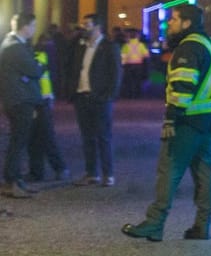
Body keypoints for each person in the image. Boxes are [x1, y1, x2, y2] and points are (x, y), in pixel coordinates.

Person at [123, 3, 211, 241]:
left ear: (187, 23)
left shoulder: (187, 49)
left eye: (174, 20)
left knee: (169, 169)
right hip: (209, 120)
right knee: (204, 172)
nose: (170, 24)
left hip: (188, 120)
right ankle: (202, 224)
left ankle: (155, 223)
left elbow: (182, 88)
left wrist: (171, 118)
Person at [70, 14, 120, 186]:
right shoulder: (81, 46)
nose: (84, 27)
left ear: (98, 27)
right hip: (82, 97)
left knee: (103, 136)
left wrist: (108, 96)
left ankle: (108, 174)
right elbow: (74, 68)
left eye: (88, 24)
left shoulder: (109, 47)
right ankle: (92, 173)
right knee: (87, 137)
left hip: (100, 99)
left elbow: (116, 74)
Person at [1, 15, 46, 198]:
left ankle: (16, 180)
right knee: (18, 142)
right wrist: (40, 64)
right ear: (24, 27)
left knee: (18, 141)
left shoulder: (10, 44)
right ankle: (12, 181)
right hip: (21, 100)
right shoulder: (16, 47)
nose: (34, 29)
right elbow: (35, 70)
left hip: (16, 99)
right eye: (33, 25)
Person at [25, 20, 67, 184]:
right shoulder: (45, 53)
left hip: (42, 99)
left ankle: (59, 168)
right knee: (36, 137)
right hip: (41, 98)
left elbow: (39, 73)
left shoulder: (40, 55)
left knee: (45, 137)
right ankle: (38, 171)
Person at [120, 30, 151, 98]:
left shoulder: (126, 45)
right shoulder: (141, 45)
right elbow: (146, 55)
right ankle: (137, 95)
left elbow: (123, 57)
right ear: (137, 36)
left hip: (128, 66)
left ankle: (129, 95)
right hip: (138, 66)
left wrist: (122, 66)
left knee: (129, 81)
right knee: (137, 81)